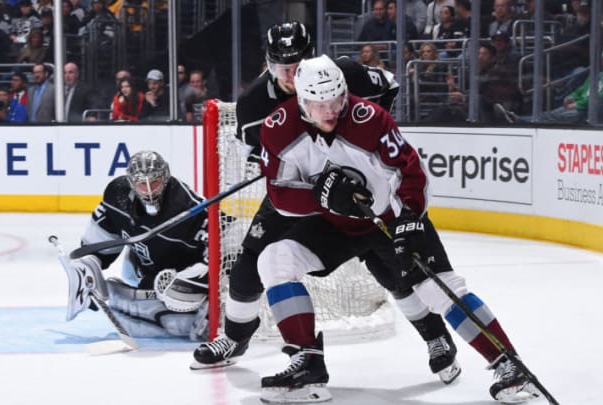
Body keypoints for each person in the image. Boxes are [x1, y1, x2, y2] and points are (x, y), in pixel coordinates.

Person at [255, 54, 538, 404]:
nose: (330, 111)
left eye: (336, 101)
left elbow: (412, 174)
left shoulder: (370, 119)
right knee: (274, 258)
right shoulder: (278, 128)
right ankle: (307, 364)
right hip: (333, 226)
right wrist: (320, 197)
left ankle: (508, 364)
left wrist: (409, 221)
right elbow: (279, 195)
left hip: (390, 218)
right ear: (301, 101)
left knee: (438, 288)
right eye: (320, 104)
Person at [191, 21, 461, 386]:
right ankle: (236, 338)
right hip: (301, 193)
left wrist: (369, 144)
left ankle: (435, 337)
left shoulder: (344, 75)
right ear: (267, 64)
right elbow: (262, 159)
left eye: (296, 64)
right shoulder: (253, 103)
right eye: (280, 66)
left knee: (391, 269)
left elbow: (389, 86)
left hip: (360, 191)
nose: (289, 74)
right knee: (250, 263)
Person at [62, 150, 210, 340]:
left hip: (178, 278)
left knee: (174, 317)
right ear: (132, 183)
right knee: (124, 300)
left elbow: (224, 240)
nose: (149, 190)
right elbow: (98, 241)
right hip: (144, 269)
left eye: (154, 182)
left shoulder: (186, 206)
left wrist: (199, 277)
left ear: (165, 178)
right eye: (142, 184)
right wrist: (89, 266)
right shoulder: (118, 196)